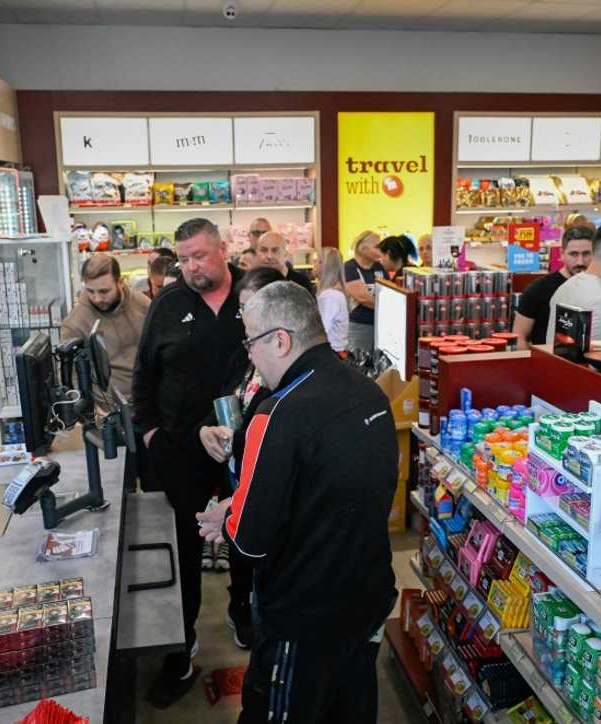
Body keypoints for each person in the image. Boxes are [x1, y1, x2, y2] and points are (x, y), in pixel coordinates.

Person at [197, 281, 397, 724]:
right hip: (367, 598)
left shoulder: (276, 413)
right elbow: (330, 492)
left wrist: (230, 516)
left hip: (303, 618)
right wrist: (238, 508)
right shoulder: (370, 392)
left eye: (250, 341)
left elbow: (250, 542)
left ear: (280, 340)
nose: (248, 354)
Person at [132, 218, 245, 708]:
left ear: (222, 249)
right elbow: (144, 380)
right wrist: (156, 435)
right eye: (184, 259)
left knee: (250, 538)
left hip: (247, 448)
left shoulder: (255, 295)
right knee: (181, 553)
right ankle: (181, 650)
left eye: (200, 255)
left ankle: (245, 615)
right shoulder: (168, 305)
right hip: (180, 453)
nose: (192, 267)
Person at [198, 266, 286, 649]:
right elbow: (223, 398)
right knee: (240, 555)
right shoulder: (245, 353)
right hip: (236, 479)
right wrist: (206, 430)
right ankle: (240, 608)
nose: (244, 321)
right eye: (241, 309)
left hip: (264, 492)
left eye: (251, 309)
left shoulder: (287, 371)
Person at [61, 255, 150, 415]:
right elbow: (71, 377)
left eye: (104, 291)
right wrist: (94, 411)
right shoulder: (75, 322)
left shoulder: (140, 303)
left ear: (120, 282)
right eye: (90, 291)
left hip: (149, 402)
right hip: (109, 411)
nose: (97, 298)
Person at [512, 226, 594, 349]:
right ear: (562, 254)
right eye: (573, 254)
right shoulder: (538, 289)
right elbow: (519, 337)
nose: (580, 262)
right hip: (547, 364)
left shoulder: (598, 288)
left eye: (586, 254)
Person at [344, 230, 387, 354]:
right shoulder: (349, 268)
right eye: (377, 247)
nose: (381, 251)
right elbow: (363, 298)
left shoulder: (379, 267)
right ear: (362, 248)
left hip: (380, 326)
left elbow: (390, 292)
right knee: (359, 364)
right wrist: (388, 309)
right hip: (359, 326)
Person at [252, 231, 316, 297]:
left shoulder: (301, 283)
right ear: (257, 253)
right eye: (264, 250)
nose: (269, 256)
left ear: (285, 253)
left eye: (275, 250)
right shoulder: (252, 282)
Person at [313, 247, 349, 356]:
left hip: (330, 353)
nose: (313, 264)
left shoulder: (330, 296)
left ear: (323, 265)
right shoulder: (333, 293)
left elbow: (322, 328)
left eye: (316, 261)